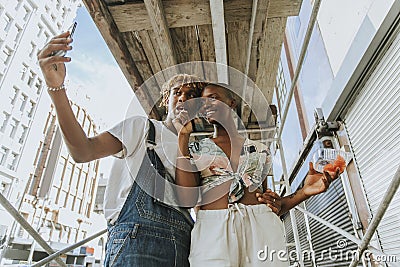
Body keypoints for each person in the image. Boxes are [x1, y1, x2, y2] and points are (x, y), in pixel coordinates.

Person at [36, 32, 281, 266]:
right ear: (166, 100)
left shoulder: (199, 150)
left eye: (192, 95)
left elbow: (197, 200)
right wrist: (56, 88)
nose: (184, 99)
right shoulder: (141, 128)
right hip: (137, 240)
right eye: (178, 93)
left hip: (185, 244)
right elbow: (83, 151)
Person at [175, 82, 340, 266]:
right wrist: (183, 136)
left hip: (262, 227)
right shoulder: (195, 148)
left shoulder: (260, 150)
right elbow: (186, 197)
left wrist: (303, 192)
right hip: (213, 231)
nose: (206, 106)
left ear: (231, 103)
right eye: (202, 103)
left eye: (213, 99)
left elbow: (270, 205)